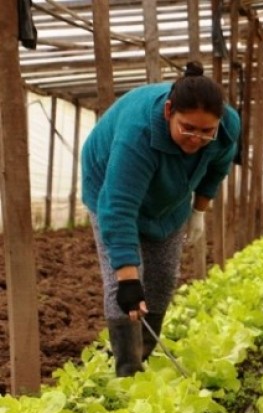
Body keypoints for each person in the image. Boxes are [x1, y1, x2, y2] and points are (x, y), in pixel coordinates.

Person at [82, 61, 240, 377]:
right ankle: (127, 368)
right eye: (188, 128)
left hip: (171, 197)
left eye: (206, 131)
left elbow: (216, 170)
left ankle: (145, 352)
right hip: (109, 187)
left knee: (163, 276)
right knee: (124, 283)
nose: (196, 138)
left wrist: (198, 211)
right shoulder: (138, 133)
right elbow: (119, 207)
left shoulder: (226, 128)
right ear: (169, 111)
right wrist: (128, 278)